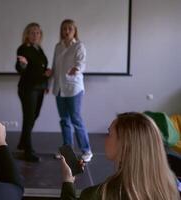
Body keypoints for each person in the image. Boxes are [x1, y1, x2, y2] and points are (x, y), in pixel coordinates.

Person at [60, 112, 180, 200]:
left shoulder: (97, 195)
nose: (105, 139)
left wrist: (68, 181)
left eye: (109, 134)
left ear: (125, 146)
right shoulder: (171, 186)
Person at [51, 19, 92, 162]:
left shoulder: (79, 46)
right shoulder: (58, 46)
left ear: (74, 31)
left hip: (74, 88)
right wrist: (47, 83)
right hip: (59, 89)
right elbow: (55, 68)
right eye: (64, 29)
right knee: (64, 120)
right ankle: (67, 150)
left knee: (76, 119)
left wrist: (77, 69)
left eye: (69, 29)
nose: (66, 31)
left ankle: (86, 150)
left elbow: (81, 63)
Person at [15, 22, 52, 162]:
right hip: (28, 88)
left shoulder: (38, 48)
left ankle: (23, 142)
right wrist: (22, 64)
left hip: (40, 88)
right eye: (32, 32)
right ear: (27, 35)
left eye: (37, 32)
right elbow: (20, 67)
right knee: (29, 118)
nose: (35, 35)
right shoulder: (23, 48)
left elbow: (40, 69)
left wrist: (46, 81)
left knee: (34, 116)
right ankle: (28, 151)